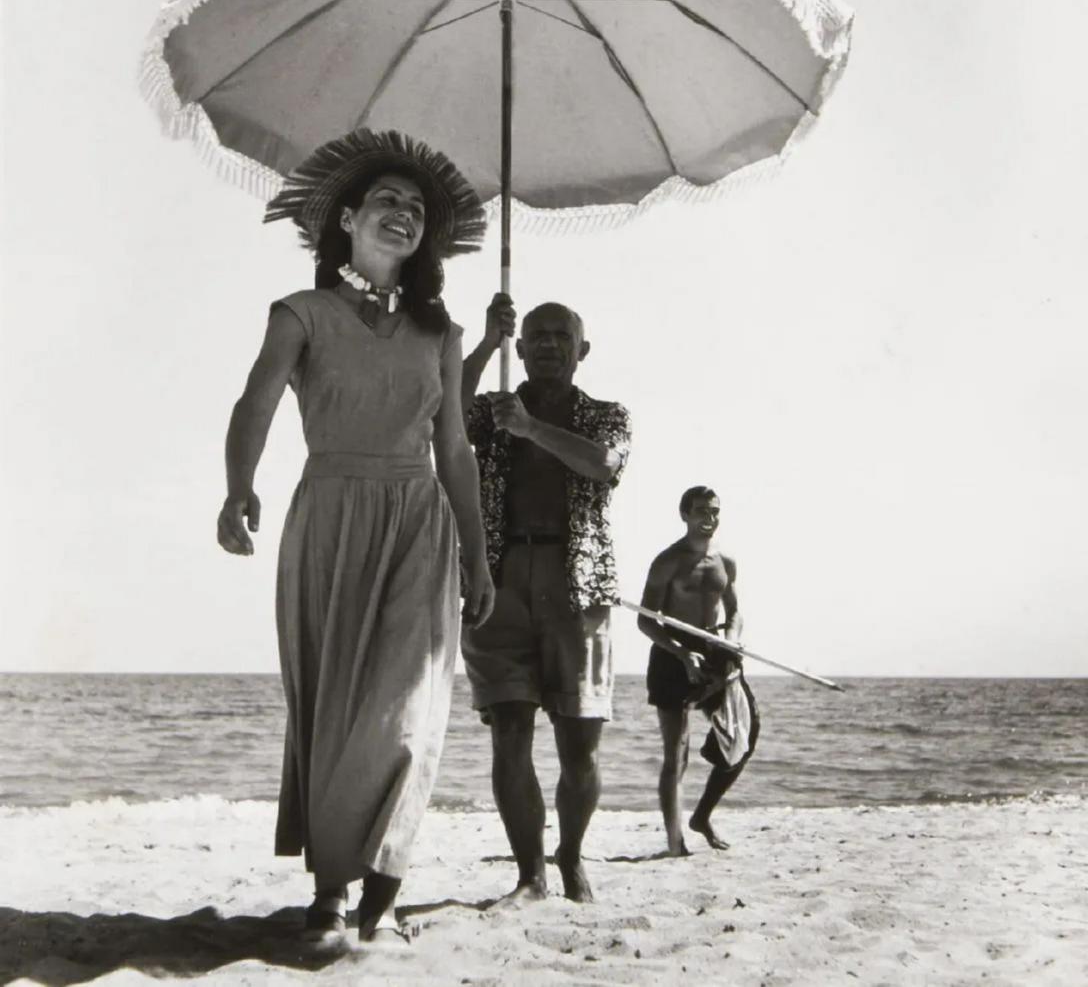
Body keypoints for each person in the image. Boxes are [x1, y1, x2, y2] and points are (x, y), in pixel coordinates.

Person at [216, 129, 495, 944]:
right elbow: (255, 404)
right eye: (387, 199)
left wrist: (478, 555)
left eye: (415, 207)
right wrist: (238, 488)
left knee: (407, 709)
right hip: (329, 515)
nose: (403, 213)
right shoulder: (300, 314)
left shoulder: (443, 335)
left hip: (417, 522)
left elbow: (454, 450)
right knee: (335, 707)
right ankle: (333, 887)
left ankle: (386, 874)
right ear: (346, 219)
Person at [459, 294, 632, 905]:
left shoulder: (608, 414)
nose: (550, 345)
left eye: (563, 336)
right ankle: (529, 872)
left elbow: (603, 466)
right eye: (537, 336)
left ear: (582, 350)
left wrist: (531, 428)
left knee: (579, 741)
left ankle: (572, 856)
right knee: (509, 730)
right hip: (499, 577)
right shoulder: (493, 411)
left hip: (577, 583)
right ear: (521, 347)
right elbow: (441, 414)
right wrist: (484, 343)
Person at [639, 486, 759, 856]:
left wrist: (733, 639)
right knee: (677, 752)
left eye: (715, 512)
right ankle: (675, 842)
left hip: (715, 648)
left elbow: (734, 611)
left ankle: (702, 816)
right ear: (685, 515)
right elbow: (646, 621)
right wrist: (680, 653)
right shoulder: (668, 561)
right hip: (673, 652)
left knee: (745, 736)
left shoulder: (726, 561)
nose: (709, 518)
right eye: (702, 511)